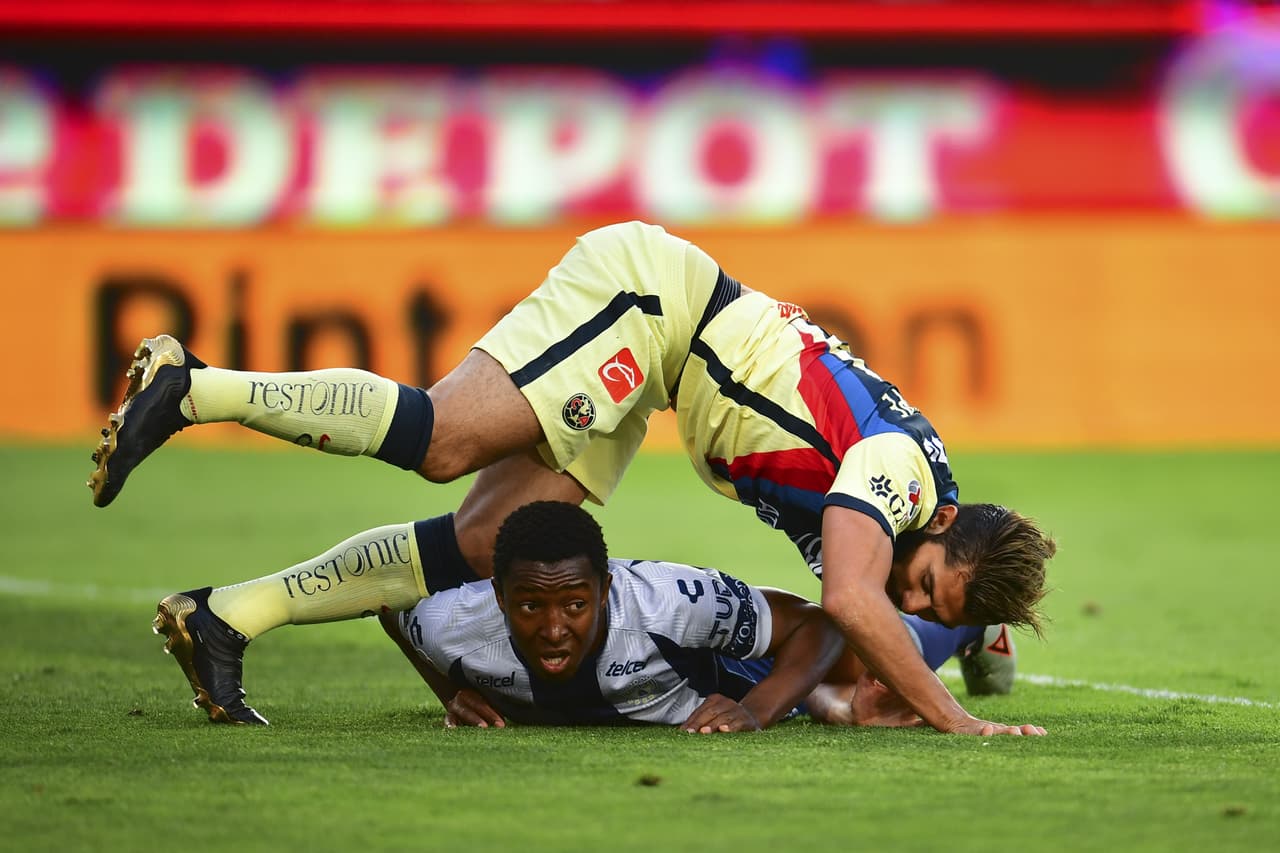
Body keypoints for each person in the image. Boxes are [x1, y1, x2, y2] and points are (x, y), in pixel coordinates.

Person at [96, 220, 1054, 736]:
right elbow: (849, 597)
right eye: (926, 583)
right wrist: (957, 720)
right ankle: (195, 386)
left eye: (929, 602)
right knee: (441, 439)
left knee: (479, 547)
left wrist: (768, 706)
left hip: (663, 369)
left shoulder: (905, 512)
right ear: (945, 520)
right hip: (655, 303)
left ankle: (227, 616)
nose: (905, 593)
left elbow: (838, 622)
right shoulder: (898, 469)